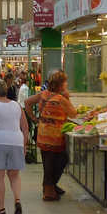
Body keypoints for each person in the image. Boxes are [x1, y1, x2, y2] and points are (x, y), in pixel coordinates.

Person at [26, 70, 77, 201]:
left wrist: (34, 119)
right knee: (61, 160)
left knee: (48, 163)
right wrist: (67, 97)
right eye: (65, 82)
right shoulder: (61, 99)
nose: (66, 84)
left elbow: (27, 102)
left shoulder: (44, 94)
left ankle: (50, 187)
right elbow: (73, 113)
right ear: (60, 84)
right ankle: (49, 191)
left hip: (42, 134)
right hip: (55, 136)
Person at [0, 79, 27, 214]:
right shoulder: (17, 105)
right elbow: (25, 127)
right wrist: (24, 144)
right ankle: (17, 200)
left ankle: (1, 208)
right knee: (15, 175)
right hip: (16, 140)